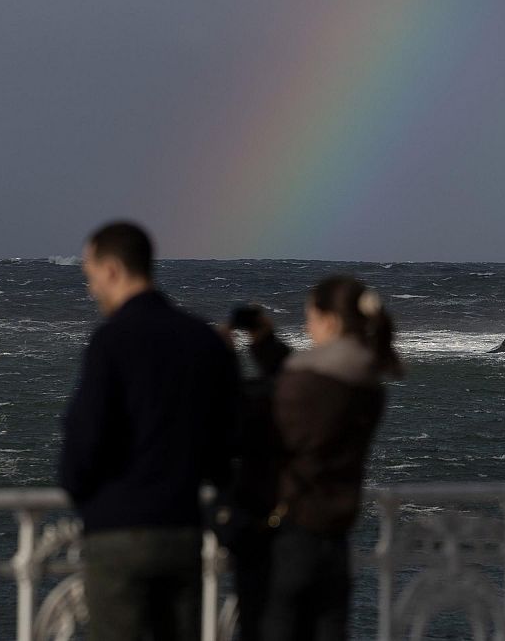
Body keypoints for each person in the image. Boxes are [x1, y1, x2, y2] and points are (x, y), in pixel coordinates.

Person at [58, 222, 241, 641]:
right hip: (181, 530)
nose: (90, 289)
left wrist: (88, 500)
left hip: (118, 533)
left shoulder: (110, 341)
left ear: (112, 270)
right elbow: (230, 441)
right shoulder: (203, 340)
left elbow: (83, 445)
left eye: (90, 275)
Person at [263, 275, 404, 641]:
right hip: (336, 538)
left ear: (331, 321)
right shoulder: (368, 384)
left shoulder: (305, 383)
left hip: (292, 534)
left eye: (310, 316)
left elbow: (270, 438)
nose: (306, 326)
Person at [216, 305, 292, 641]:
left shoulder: (246, 407)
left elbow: (228, 406)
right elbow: (286, 378)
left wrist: (225, 357)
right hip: (309, 531)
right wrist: (265, 340)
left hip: (255, 529)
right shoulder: (313, 394)